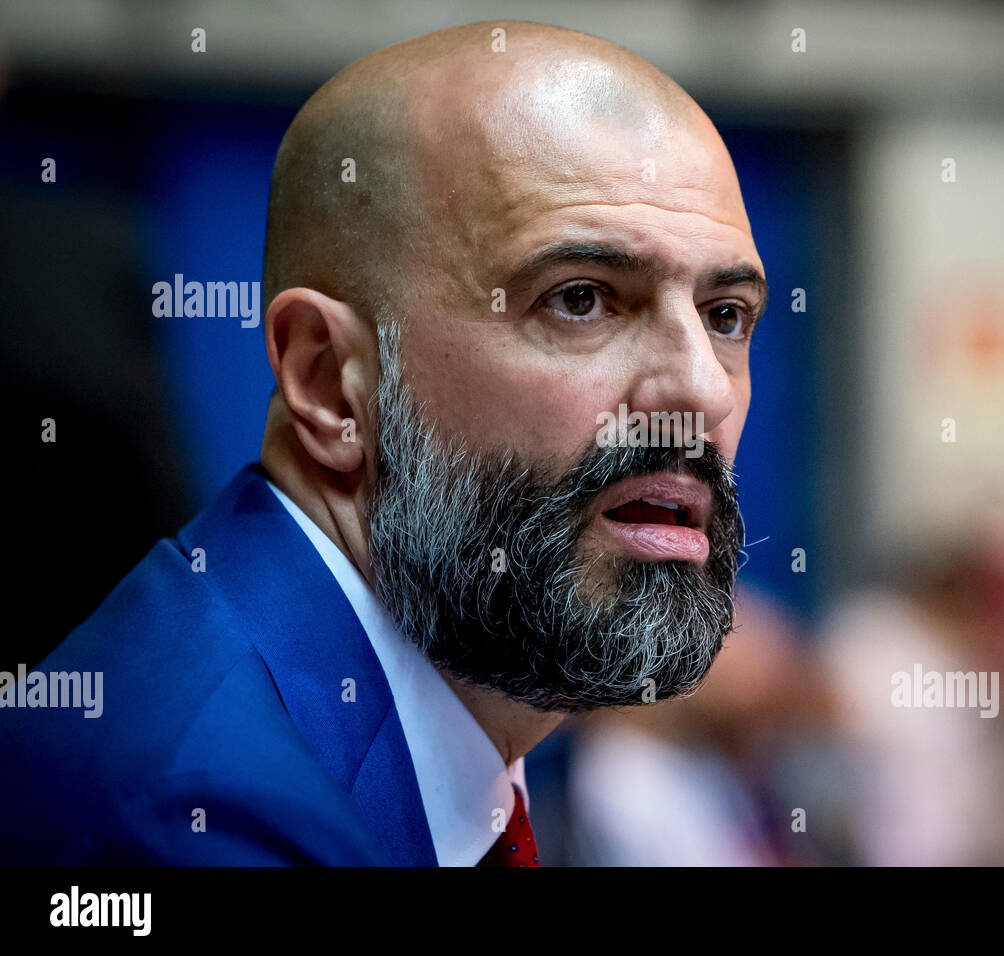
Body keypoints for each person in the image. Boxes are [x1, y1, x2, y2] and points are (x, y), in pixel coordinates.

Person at [0, 21, 766, 866]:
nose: (698, 390)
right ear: (331, 384)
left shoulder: (414, 734)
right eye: (582, 299)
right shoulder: (199, 822)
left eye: (725, 315)